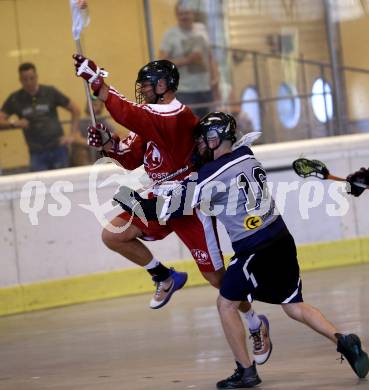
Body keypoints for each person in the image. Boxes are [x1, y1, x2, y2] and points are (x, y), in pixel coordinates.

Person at [73, 55, 272, 364]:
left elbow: (130, 113)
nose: (142, 90)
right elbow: (130, 158)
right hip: (159, 199)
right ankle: (164, 276)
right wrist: (110, 144)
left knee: (218, 280)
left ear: (163, 86)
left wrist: (99, 84)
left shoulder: (175, 115)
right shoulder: (151, 120)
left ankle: (256, 324)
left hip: (188, 202)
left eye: (147, 85)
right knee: (114, 234)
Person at [154, 112, 369, 388]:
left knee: (226, 304)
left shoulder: (210, 174)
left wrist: (131, 199)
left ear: (215, 138)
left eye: (203, 141)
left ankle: (247, 371)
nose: (199, 147)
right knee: (293, 305)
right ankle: (343, 341)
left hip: (256, 247)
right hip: (280, 238)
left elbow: (167, 208)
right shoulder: (246, 154)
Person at [0, 62, 80, 171]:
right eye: (25, 79)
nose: (29, 82)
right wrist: (14, 124)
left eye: (31, 78)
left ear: (36, 77)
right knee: (39, 185)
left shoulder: (50, 92)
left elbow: (75, 109)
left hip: (58, 148)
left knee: (63, 184)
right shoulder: (15, 99)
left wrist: (73, 134)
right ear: (20, 80)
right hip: (36, 152)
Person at [159, 0, 219, 118]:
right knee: (189, 130)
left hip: (206, 89)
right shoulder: (170, 35)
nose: (184, 16)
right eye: (181, 14)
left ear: (193, 14)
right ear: (176, 15)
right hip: (184, 92)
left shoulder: (202, 29)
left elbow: (210, 56)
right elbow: (162, 64)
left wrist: (216, 78)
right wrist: (188, 60)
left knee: (209, 129)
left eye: (187, 13)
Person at [71, 95, 116, 166]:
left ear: (100, 108)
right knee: (81, 152)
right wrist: (93, 144)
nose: (91, 106)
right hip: (87, 152)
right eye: (90, 104)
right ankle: (87, 174)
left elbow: (116, 135)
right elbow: (76, 138)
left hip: (100, 152)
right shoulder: (81, 122)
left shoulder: (103, 122)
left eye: (95, 105)